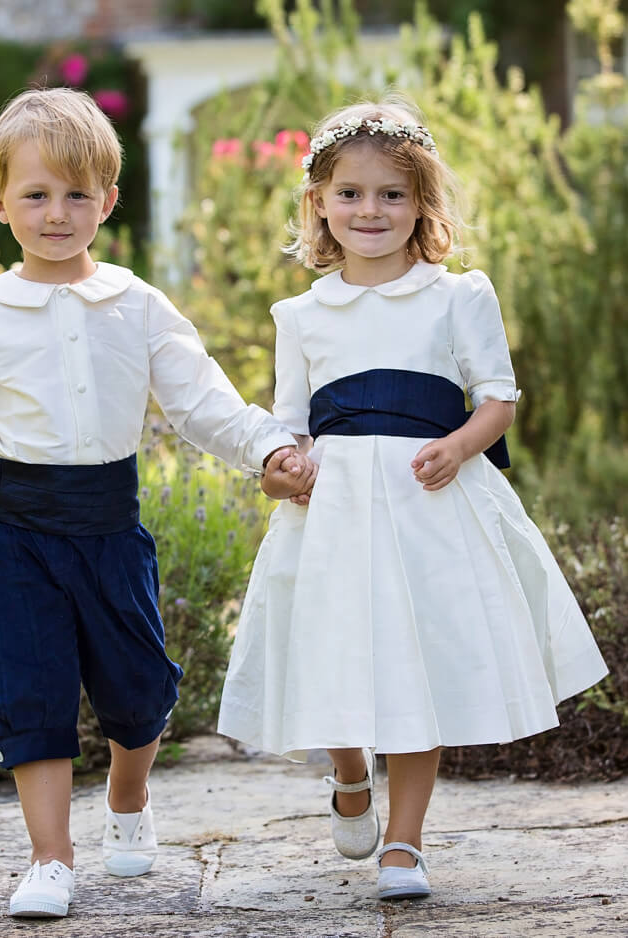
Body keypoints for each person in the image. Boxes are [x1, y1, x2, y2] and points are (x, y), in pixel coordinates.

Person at [0, 87, 316, 920]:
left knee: (139, 691)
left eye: (75, 195)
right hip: (14, 531)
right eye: (35, 195)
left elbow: (203, 403)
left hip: (107, 525)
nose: (56, 214)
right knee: (29, 693)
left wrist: (271, 446)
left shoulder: (137, 306)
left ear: (108, 200)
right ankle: (50, 860)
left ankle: (128, 805)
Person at [217, 96, 608, 901]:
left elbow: (496, 400)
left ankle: (404, 841)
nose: (371, 210)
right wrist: (277, 471)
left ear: (421, 203)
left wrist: (460, 447)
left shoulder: (457, 296)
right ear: (319, 202)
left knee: (416, 667)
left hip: (427, 503)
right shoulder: (301, 315)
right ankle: (349, 773)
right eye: (351, 193)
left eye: (392, 194)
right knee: (328, 651)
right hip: (331, 514)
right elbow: (287, 426)